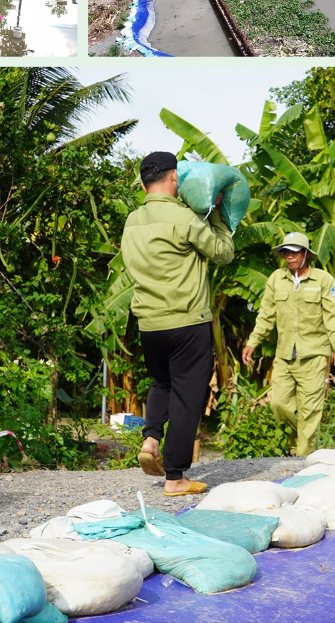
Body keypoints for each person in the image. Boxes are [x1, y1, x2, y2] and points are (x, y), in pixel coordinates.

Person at [120, 151, 234, 496]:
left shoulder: (131, 222)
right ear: (173, 178)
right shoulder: (186, 219)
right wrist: (214, 214)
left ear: (143, 183)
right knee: (187, 395)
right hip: (187, 321)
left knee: (161, 383)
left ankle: (151, 439)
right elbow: (223, 253)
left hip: (149, 323)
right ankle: (175, 477)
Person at [242, 233, 335, 457]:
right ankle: (294, 443)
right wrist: (253, 342)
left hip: (315, 355)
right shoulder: (276, 279)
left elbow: (333, 317)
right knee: (279, 404)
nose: (290, 257)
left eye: (295, 252)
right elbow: (266, 316)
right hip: (284, 355)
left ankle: (302, 458)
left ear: (306, 254)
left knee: (310, 412)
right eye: (286, 253)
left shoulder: (323, 280)